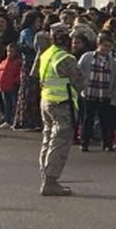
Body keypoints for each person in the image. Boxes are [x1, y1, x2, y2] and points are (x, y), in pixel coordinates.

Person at [36, 24, 87, 196]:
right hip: (61, 104)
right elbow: (79, 82)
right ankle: (50, 181)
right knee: (59, 141)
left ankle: (45, 175)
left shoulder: (47, 54)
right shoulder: (65, 58)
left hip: (46, 100)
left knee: (48, 138)